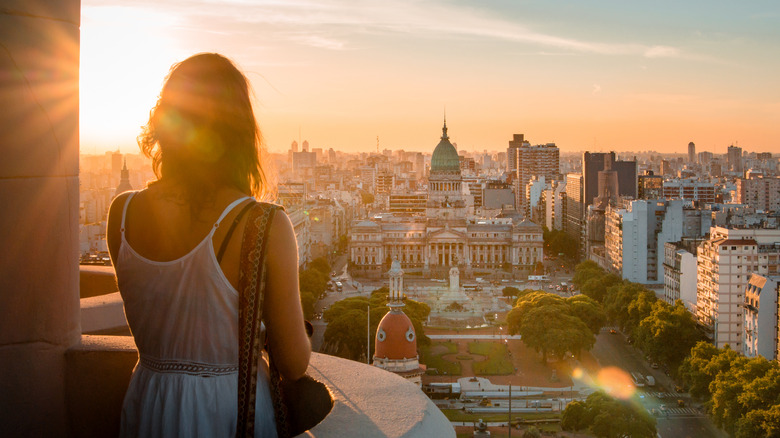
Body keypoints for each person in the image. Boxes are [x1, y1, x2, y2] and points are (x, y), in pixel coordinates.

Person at [107, 53, 311, 437]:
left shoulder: (122, 212)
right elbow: (295, 363)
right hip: (229, 409)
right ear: (239, 132)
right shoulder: (263, 224)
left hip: (148, 401)